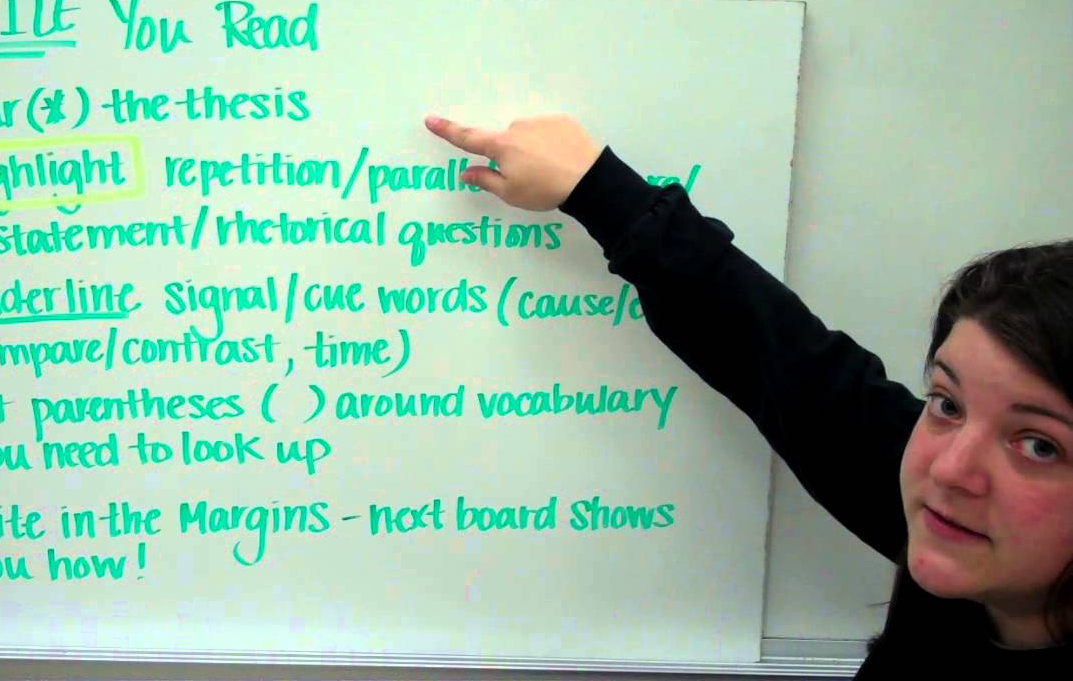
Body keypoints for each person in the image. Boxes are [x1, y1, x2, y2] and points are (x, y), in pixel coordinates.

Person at [423, 114, 1073, 676]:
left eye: (1039, 445)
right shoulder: (960, 532)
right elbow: (786, 365)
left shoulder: (966, 528)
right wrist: (599, 189)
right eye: (947, 404)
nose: (950, 470)